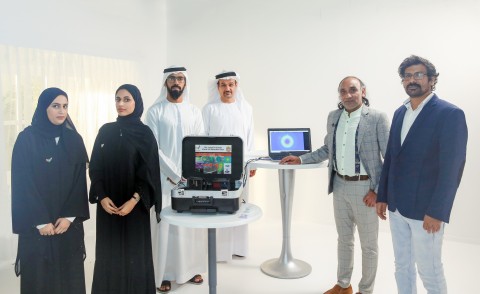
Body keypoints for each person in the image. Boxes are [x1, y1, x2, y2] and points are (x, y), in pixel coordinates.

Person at [281, 76, 389, 294]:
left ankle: (365, 290)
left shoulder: (377, 118)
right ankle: (343, 285)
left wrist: (377, 191)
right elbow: (326, 149)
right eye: (343, 91)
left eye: (352, 90)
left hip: (366, 189)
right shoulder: (334, 117)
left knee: (369, 246)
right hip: (339, 186)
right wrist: (300, 159)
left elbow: (390, 158)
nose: (347, 95)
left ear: (363, 91)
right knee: (344, 240)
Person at [376, 55, 468, 294]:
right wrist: (383, 195)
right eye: (407, 76)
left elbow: (452, 169)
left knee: (430, 270)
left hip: (426, 211)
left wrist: (437, 211)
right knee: (402, 266)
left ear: (432, 79)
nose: (412, 80)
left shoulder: (449, 114)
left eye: (418, 74)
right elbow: (391, 158)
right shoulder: (399, 112)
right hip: (397, 207)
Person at [11, 87, 90, 294]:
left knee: (69, 280)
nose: (61, 111)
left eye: (65, 106)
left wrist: (69, 216)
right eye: (55, 106)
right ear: (43, 108)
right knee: (40, 280)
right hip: (38, 226)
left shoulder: (74, 139)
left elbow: (79, 182)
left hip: (66, 225)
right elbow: (22, 183)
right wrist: (40, 220)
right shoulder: (26, 139)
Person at [89, 84, 162, 294]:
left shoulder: (145, 134)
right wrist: (101, 197)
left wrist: (134, 200)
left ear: (136, 102)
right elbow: (95, 167)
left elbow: (149, 172)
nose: (121, 104)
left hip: (134, 207)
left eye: (126, 99)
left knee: (134, 256)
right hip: (108, 207)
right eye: (118, 99)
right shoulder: (105, 131)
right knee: (108, 254)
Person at [146, 66, 207, 293]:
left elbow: (200, 145)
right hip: (164, 178)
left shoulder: (194, 111)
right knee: (167, 226)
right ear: (165, 82)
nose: (176, 82)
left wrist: (192, 173)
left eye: (180, 78)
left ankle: (192, 269)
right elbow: (153, 148)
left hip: (191, 178)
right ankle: (165, 273)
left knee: (192, 224)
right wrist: (173, 174)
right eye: (172, 78)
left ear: (185, 82)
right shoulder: (155, 112)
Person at [202, 70, 256, 262]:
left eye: (231, 84)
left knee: (240, 204)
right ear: (218, 87)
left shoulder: (246, 108)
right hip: (216, 165)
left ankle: (239, 248)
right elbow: (204, 136)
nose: (228, 88)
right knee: (221, 205)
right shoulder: (209, 109)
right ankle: (219, 251)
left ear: (236, 86)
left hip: (241, 165)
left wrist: (251, 163)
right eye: (223, 85)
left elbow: (250, 137)